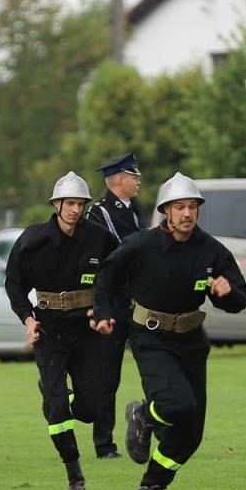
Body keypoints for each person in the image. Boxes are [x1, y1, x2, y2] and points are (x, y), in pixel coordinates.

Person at [93, 172, 246, 490]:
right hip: (150, 336)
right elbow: (107, 274)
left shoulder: (211, 250)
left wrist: (227, 293)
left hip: (191, 340)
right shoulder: (141, 245)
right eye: (179, 207)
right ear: (166, 211)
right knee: (177, 405)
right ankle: (143, 416)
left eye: (192, 207)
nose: (187, 214)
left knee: (190, 433)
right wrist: (104, 311)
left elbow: (239, 297)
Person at [5, 171, 120, 490]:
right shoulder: (33, 239)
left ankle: (64, 395)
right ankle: (74, 473)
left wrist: (105, 313)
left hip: (86, 330)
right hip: (49, 328)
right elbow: (14, 284)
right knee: (56, 406)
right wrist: (28, 319)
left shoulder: (100, 238)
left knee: (90, 408)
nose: (75, 209)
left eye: (80, 204)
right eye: (69, 203)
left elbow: (114, 277)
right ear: (56, 204)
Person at [85, 151, 143, 460]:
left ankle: (153, 426)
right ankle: (103, 442)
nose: (138, 183)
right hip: (114, 303)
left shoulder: (134, 211)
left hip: (138, 302)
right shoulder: (102, 212)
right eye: (134, 177)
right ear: (118, 179)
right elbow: (121, 255)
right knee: (107, 375)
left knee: (153, 365)